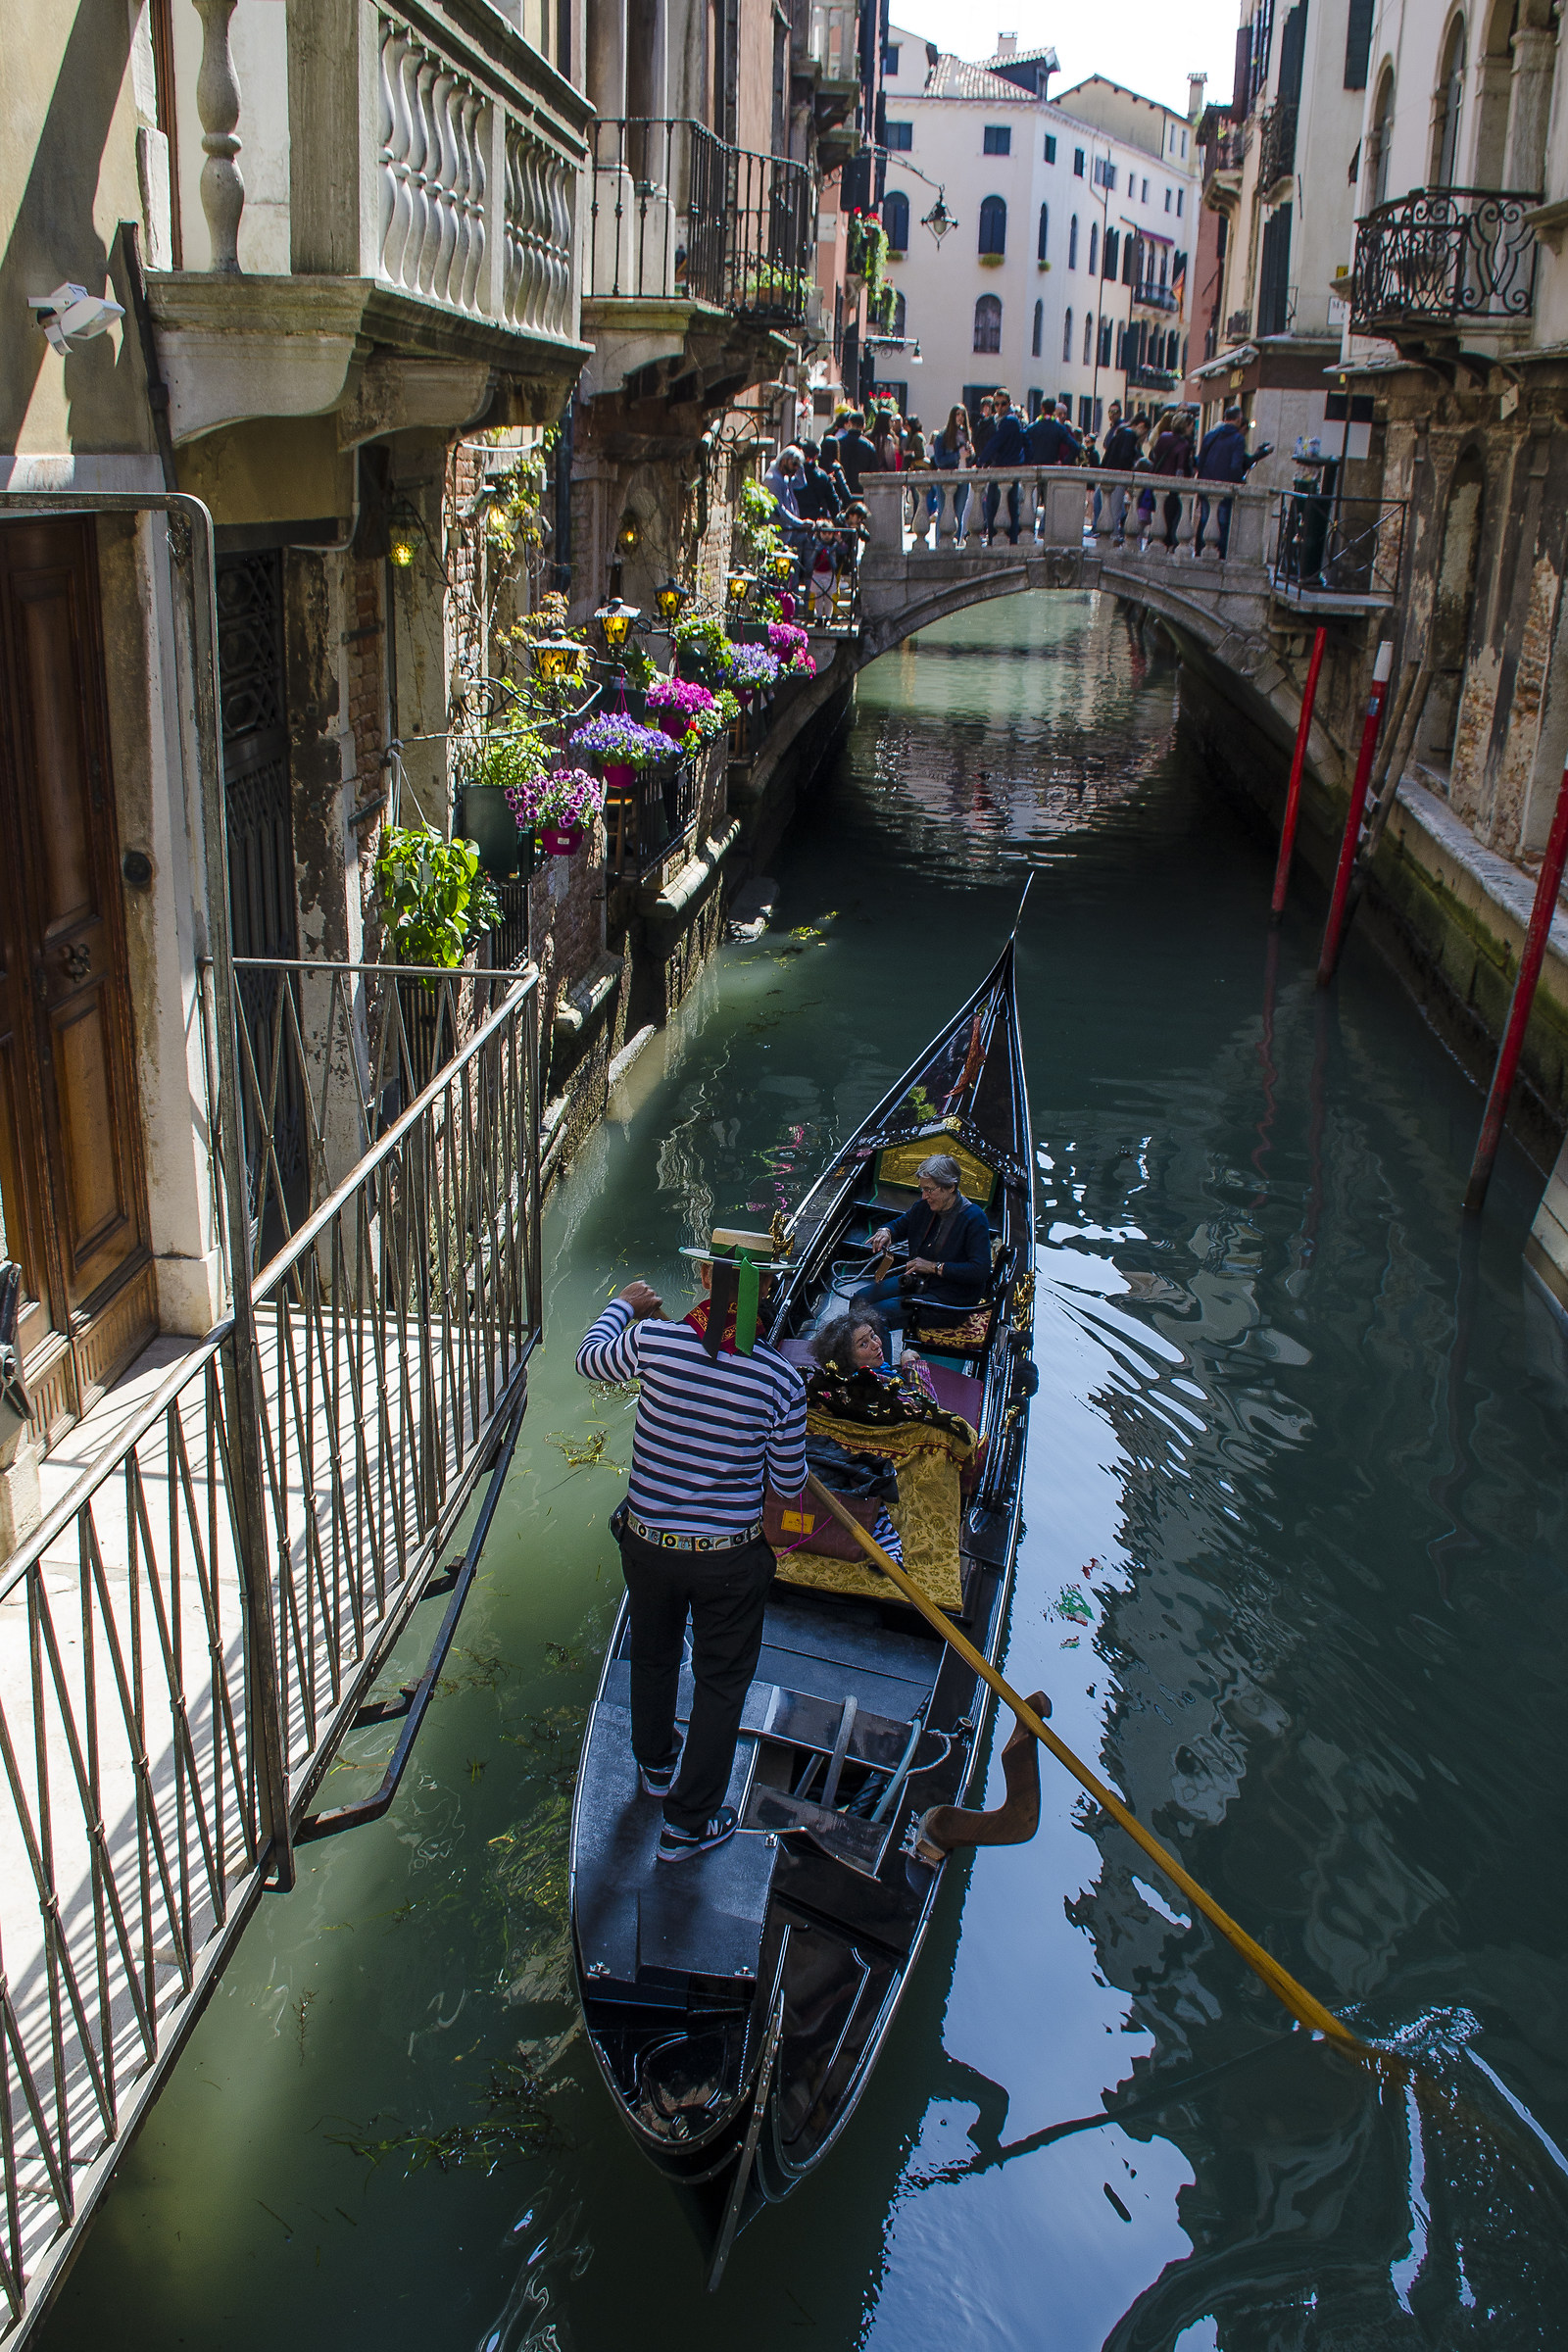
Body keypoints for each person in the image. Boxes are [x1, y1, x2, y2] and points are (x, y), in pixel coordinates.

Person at [576, 1227, 806, 1863]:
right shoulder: (781, 1381)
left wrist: (626, 1305)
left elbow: (591, 1360)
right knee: (720, 1684)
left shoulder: (654, 1342)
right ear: (767, 1293)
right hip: (727, 1561)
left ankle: (655, 1769)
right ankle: (688, 1824)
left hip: (648, 1545)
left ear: (706, 1280)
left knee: (652, 1656)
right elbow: (786, 1487)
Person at [854, 1153, 992, 1328]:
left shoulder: (974, 1218)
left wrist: (935, 1267)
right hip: (918, 1281)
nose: (924, 1196)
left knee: (877, 1317)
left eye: (930, 1190)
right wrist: (886, 1231)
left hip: (949, 1300)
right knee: (859, 1300)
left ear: (950, 1187)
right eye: (923, 1189)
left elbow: (980, 1271)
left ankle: (876, 1355)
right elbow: (901, 1225)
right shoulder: (924, 1206)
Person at [1195, 404, 1273, 561]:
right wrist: (1238, 483)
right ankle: (1219, 556)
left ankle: (1199, 552)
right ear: (1238, 419)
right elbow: (1236, 465)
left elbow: (1200, 461)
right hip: (1225, 487)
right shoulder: (1237, 439)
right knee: (1222, 523)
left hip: (1206, 485)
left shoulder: (1210, 436)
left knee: (1205, 520)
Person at [980, 388, 1026, 546]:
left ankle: (998, 539)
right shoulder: (1008, 421)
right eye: (997, 404)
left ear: (1009, 403)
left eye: (1003, 404)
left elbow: (995, 443)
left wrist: (981, 462)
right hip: (1005, 467)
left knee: (998, 504)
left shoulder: (1009, 421)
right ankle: (1005, 539)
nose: (999, 407)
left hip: (1005, 468)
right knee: (1004, 505)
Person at [927, 403, 973, 542]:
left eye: (962, 415)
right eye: (957, 414)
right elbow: (940, 461)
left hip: (963, 478)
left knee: (959, 513)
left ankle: (956, 542)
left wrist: (971, 453)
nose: (960, 418)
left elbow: (970, 459)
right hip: (947, 478)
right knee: (944, 512)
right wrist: (958, 455)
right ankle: (940, 543)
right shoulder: (942, 436)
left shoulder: (966, 435)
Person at [1150, 410, 1195, 551]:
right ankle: (1167, 544)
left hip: (1158, 481)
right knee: (1171, 516)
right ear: (1185, 426)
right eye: (1191, 425)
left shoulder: (1163, 437)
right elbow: (1180, 468)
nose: (1193, 429)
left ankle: (1154, 541)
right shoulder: (1184, 445)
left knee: (1159, 513)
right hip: (1173, 487)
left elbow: (1155, 456)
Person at [1101, 404, 1143, 544]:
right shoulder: (1127, 434)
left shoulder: (1121, 430)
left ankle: (1109, 533)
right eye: (1110, 411)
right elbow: (1125, 455)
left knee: (1111, 506)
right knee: (1114, 507)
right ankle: (1112, 535)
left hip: (1109, 471)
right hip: (1116, 474)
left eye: (1115, 411)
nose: (1112, 414)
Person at [834, 410, 880, 494]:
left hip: (842, 490)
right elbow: (874, 471)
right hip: (862, 490)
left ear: (849, 423)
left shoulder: (839, 443)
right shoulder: (868, 446)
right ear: (864, 426)